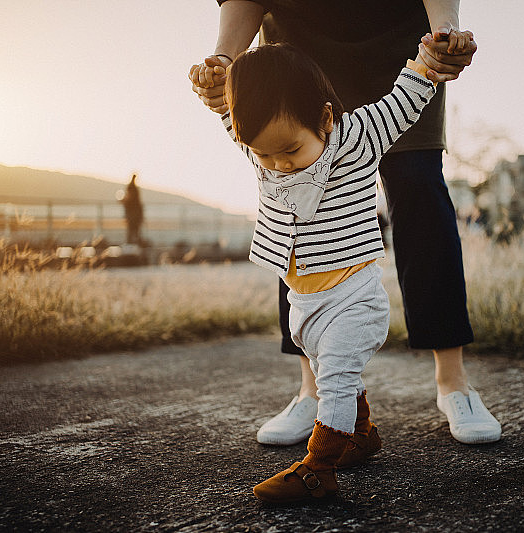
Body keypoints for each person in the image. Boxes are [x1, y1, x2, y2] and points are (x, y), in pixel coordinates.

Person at [191, 0, 501, 448]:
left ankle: (453, 383)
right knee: (291, 200)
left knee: (417, 186)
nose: (276, 163)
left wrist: (442, 39)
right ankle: (311, 391)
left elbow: (417, 85)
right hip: (295, 49)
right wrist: (223, 63)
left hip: (402, 40)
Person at [121, 173, 144, 245]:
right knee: (133, 231)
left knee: (132, 231)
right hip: (134, 213)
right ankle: (132, 245)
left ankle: (131, 245)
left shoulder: (131, 188)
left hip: (133, 213)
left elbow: (129, 198)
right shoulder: (133, 188)